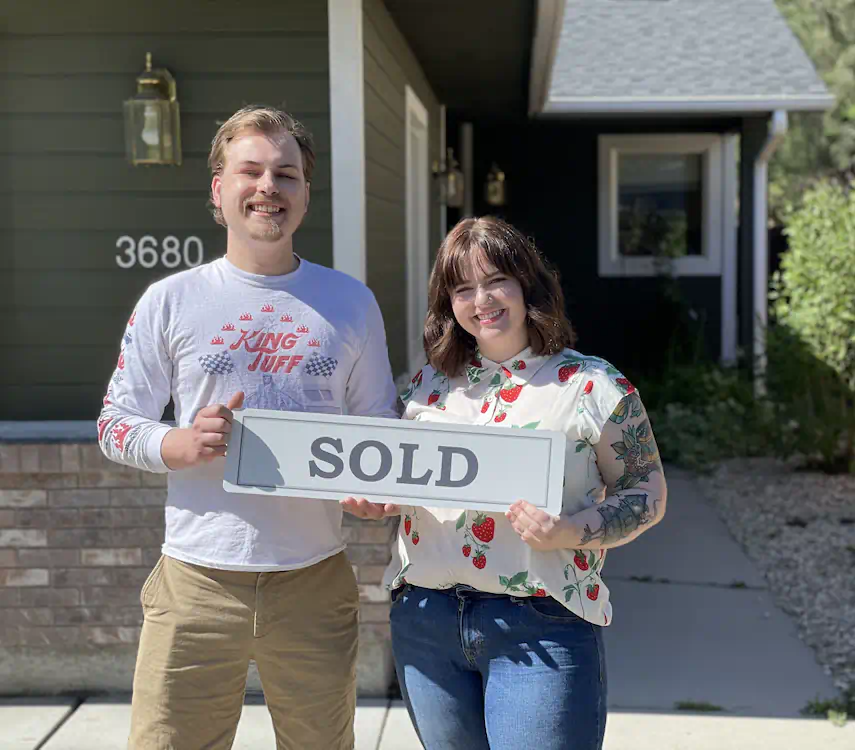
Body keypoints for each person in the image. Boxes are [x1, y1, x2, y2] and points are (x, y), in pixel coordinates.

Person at [98, 105, 398, 750]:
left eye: (286, 174)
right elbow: (115, 425)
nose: (269, 187)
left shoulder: (350, 302)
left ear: (306, 191)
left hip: (314, 582)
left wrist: (375, 489)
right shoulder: (171, 300)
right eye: (251, 171)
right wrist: (172, 444)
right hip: (196, 585)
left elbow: (379, 426)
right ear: (218, 188)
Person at [342, 216, 669, 750]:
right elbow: (408, 485)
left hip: (539, 624)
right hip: (427, 622)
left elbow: (646, 492)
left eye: (495, 280)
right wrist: (382, 503)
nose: (482, 300)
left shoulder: (592, 386)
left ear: (526, 284)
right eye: (462, 288)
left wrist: (568, 531)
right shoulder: (427, 385)